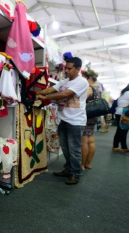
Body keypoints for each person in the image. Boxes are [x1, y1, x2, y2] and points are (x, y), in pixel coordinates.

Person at [37, 57, 88, 185]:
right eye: (66, 68)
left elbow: (65, 94)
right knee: (65, 148)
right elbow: (52, 89)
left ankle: (75, 174)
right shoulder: (64, 81)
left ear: (78, 69)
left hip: (76, 122)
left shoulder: (82, 82)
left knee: (74, 149)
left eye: (69, 68)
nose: (66, 71)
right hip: (63, 120)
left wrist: (45, 98)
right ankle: (68, 169)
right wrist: (37, 93)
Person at [80, 69, 101, 170]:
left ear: (89, 78)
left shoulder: (88, 88)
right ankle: (88, 163)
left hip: (87, 115)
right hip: (94, 116)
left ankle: (82, 164)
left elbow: (82, 100)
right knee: (91, 140)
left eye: (83, 77)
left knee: (84, 140)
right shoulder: (97, 88)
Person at [112, 84, 129, 153]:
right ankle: (116, 146)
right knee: (121, 130)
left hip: (120, 112)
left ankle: (124, 146)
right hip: (124, 113)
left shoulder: (124, 93)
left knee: (122, 130)